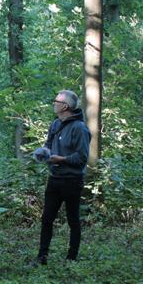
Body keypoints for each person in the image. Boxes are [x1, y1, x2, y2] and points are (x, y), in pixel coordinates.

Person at [34, 89, 91, 264]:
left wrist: (62, 159)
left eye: (56, 101)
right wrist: (43, 152)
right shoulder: (55, 124)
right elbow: (48, 145)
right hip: (54, 179)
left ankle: (71, 258)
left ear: (65, 106)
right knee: (46, 219)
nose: (54, 103)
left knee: (73, 220)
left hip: (72, 181)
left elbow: (81, 157)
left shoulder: (80, 128)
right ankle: (42, 257)